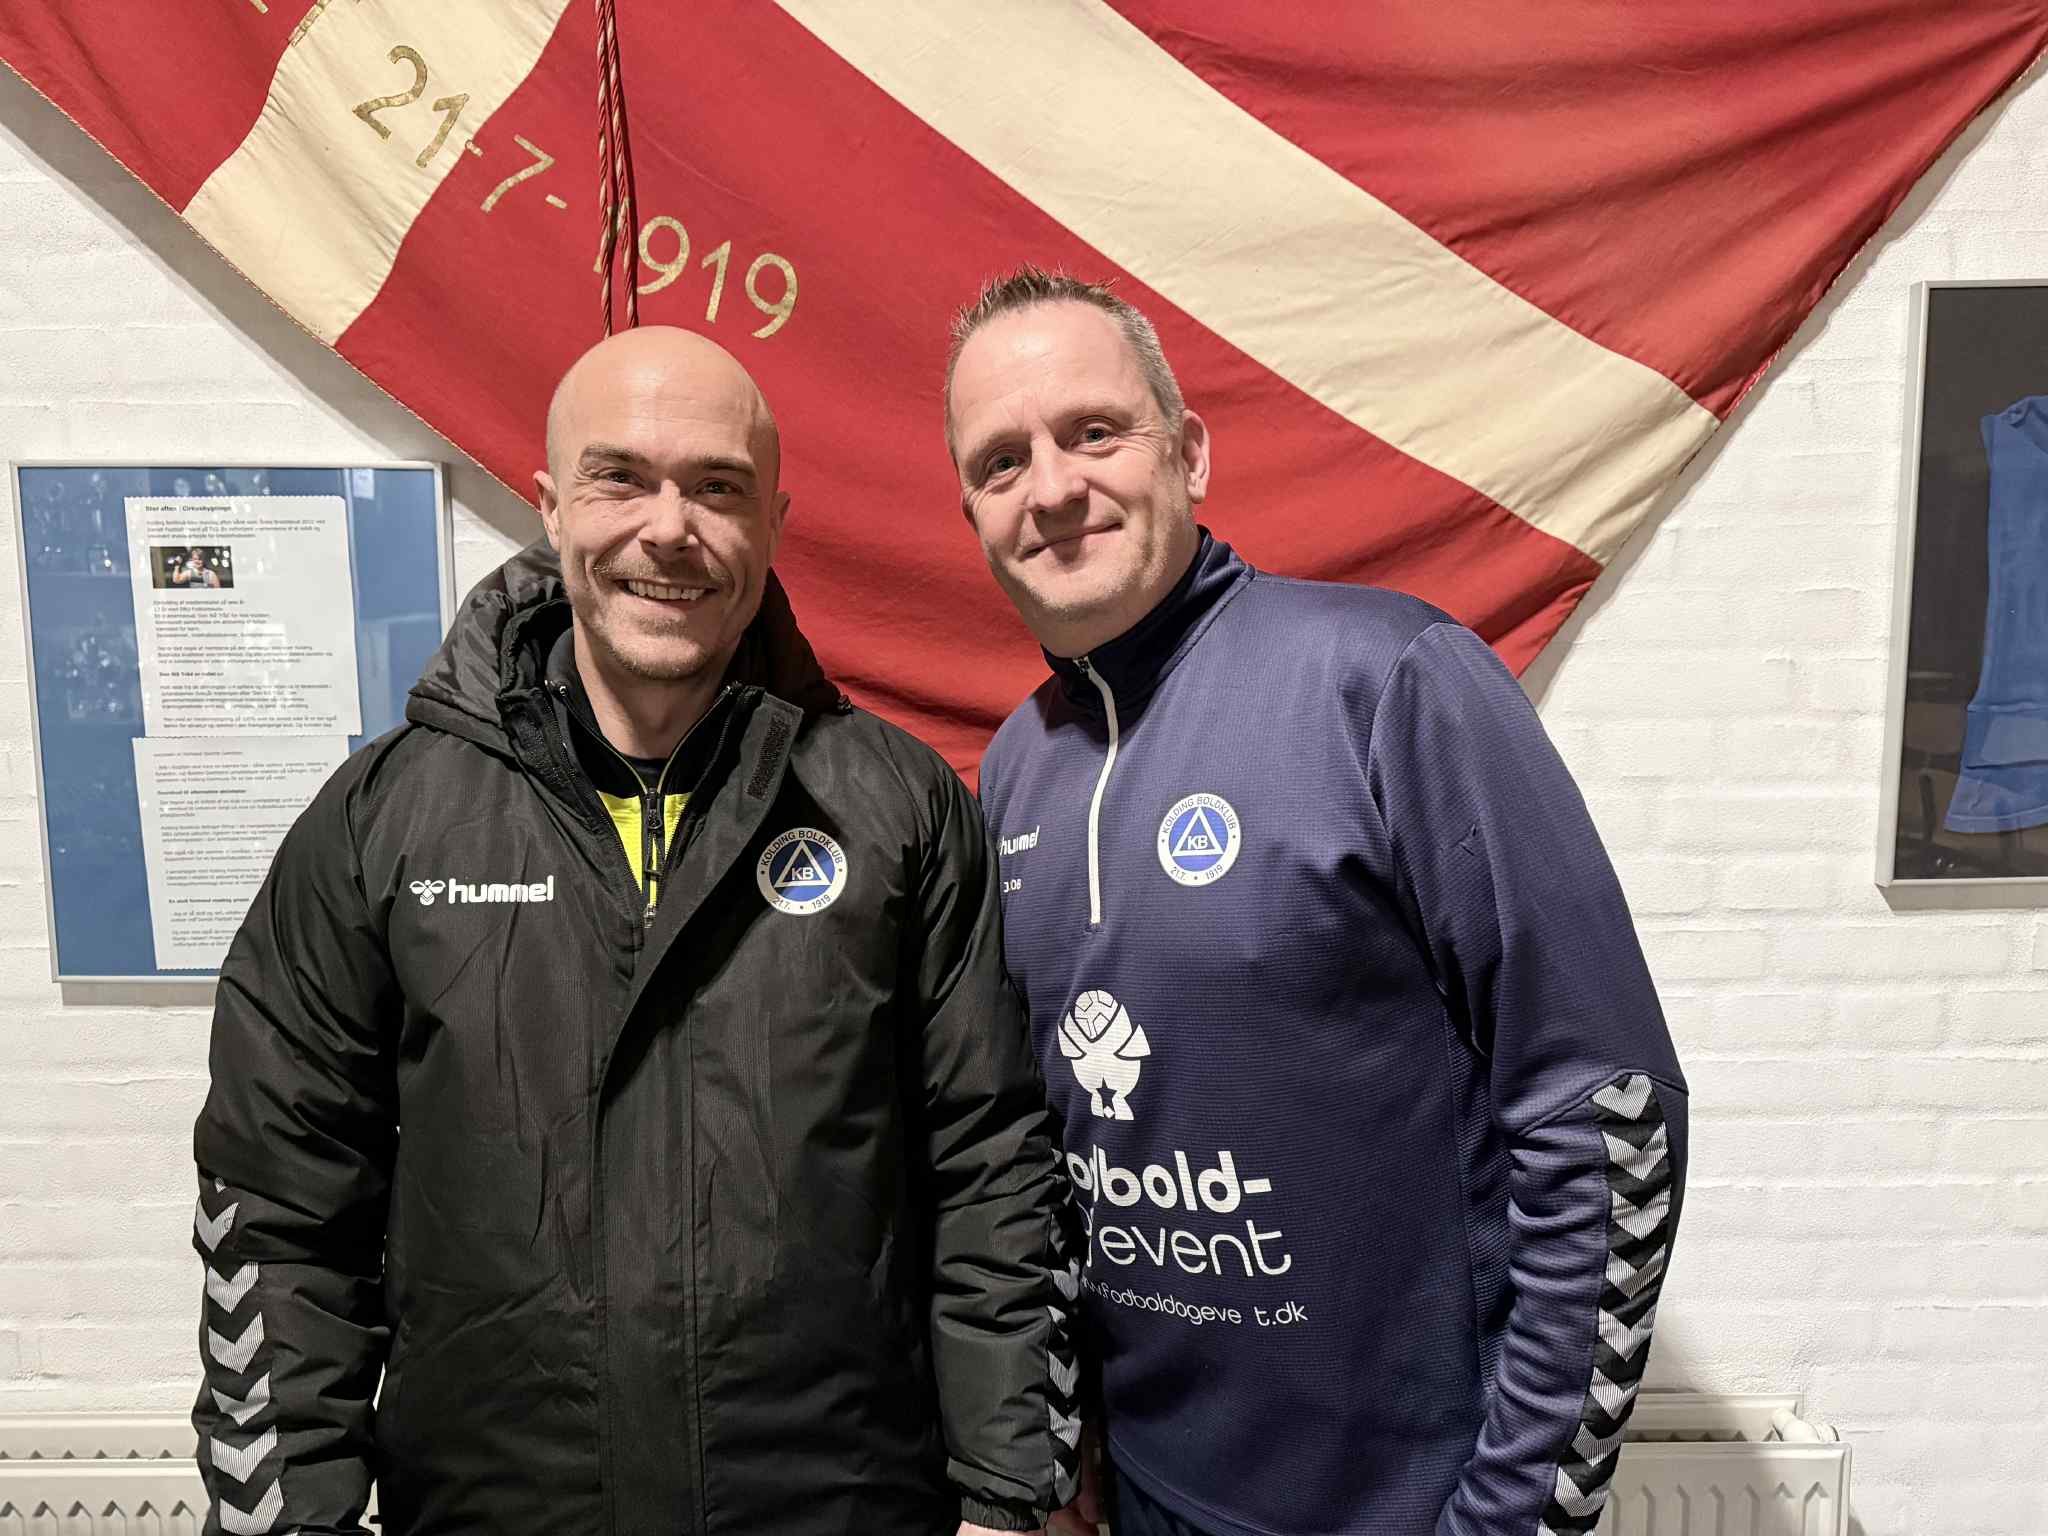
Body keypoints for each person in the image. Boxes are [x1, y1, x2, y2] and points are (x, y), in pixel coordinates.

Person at [191, 326, 1080, 1536]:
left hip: (839, 1507)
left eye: (717, 488)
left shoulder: (895, 808)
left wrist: (1005, 1497)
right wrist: (291, 1516)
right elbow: (280, 1193)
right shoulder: (384, 821)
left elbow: (992, 1164)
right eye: (622, 478)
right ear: (552, 506)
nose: (669, 528)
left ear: (772, 523)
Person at [947, 268, 1687, 1536]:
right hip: (1147, 1506)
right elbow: (1044, 1153)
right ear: (971, 511)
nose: (1052, 488)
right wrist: (1063, 1442)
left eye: (1093, 432)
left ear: (1187, 454)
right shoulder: (1017, 768)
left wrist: (1510, 1519)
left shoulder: (1389, 682)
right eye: (1000, 462)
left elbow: (1607, 1119)